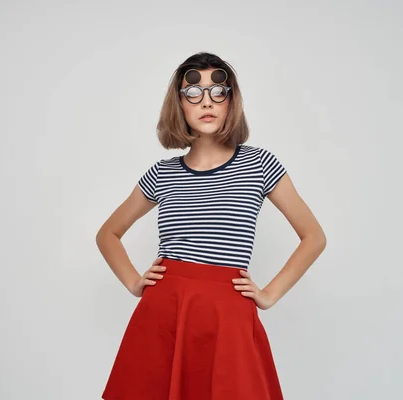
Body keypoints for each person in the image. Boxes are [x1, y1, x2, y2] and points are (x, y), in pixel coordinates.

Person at [96, 52, 327, 400]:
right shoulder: (163, 173)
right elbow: (108, 234)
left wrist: (269, 294)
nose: (207, 102)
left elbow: (314, 237)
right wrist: (133, 281)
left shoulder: (259, 163)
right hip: (165, 310)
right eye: (194, 93)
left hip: (227, 311)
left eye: (219, 91)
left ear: (231, 101)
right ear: (179, 105)